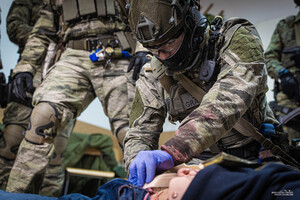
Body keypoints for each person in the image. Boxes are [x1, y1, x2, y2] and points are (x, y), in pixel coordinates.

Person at [124, 0, 282, 187]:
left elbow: (225, 103)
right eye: (154, 49)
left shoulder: (237, 40)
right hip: (198, 170)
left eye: (169, 43)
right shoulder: (154, 73)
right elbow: (139, 133)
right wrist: (138, 162)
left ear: (191, 23)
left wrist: (172, 151)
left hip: (258, 161)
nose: (163, 56)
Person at [5, 0, 148, 195]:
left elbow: (147, 13)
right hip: (73, 56)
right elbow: (42, 31)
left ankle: (148, 194)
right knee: (42, 117)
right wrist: (26, 67)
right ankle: (16, 196)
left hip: (117, 53)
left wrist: (144, 49)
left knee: (131, 132)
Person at [264, 0, 300, 147]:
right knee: (290, 148)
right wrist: (283, 73)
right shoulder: (286, 26)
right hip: (292, 99)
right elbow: (269, 57)